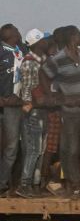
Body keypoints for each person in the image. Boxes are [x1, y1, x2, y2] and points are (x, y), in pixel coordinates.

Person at [43, 26, 80, 195]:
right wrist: (54, 96)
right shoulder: (58, 59)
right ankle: (75, 184)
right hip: (69, 112)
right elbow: (44, 74)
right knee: (72, 149)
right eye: (79, 35)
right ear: (72, 38)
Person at [15, 29, 49, 195]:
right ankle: (25, 184)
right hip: (33, 110)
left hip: (41, 109)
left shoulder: (41, 60)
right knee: (34, 149)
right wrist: (30, 106)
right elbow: (27, 90)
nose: (46, 42)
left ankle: (33, 184)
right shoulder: (29, 62)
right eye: (43, 40)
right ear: (38, 43)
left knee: (40, 149)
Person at [0, 24, 23, 192]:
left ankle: (6, 183)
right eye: (14, 30)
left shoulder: (21, 51)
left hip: (18, 104)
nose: (18, 32)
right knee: (10, 146)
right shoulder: (2, 51)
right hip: (5, 103)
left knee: (15, 146)